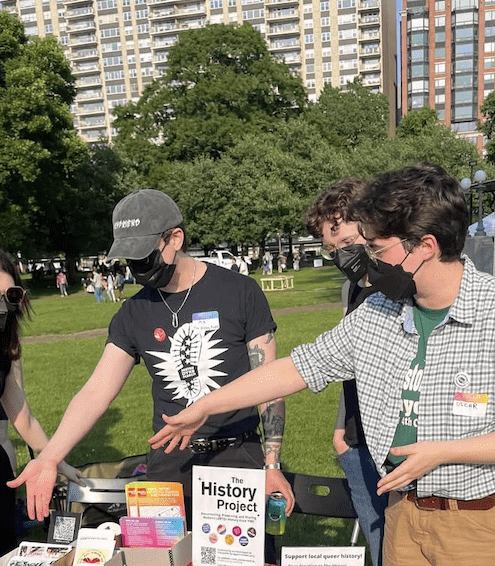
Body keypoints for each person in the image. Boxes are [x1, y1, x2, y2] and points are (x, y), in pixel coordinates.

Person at [145, 164, 495, 566]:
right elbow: (300, 367)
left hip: (483, 516)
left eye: (377, 248)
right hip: (406, 507)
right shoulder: (379, 311)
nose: (367, 259)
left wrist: (444, 452)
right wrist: (208, 405)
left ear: (425, 246)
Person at [10, 189, 295, 536]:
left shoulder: (240, 292)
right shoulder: (133, 313)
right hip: (169, 463)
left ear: (175, 238)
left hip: (237, 457)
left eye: (144, 256)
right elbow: (97, 391)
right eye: (129, 260)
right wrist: (51, 456)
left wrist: (272, 463)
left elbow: (268, 383)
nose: (137, 269)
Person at [304, 178, 419, 566]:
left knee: (408, 549)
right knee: (379, 542)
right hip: (356, 438)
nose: (342, 257)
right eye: (333, 250)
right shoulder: (355, 289)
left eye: (349, 243)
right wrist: (341, 427)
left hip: (399, 442)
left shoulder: (402, 288)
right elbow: (346, 361)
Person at [0, 250, 82, 555]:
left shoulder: (5, 348)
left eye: (10, 295)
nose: (3, 306)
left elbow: (24, 418)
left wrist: (56, 460)